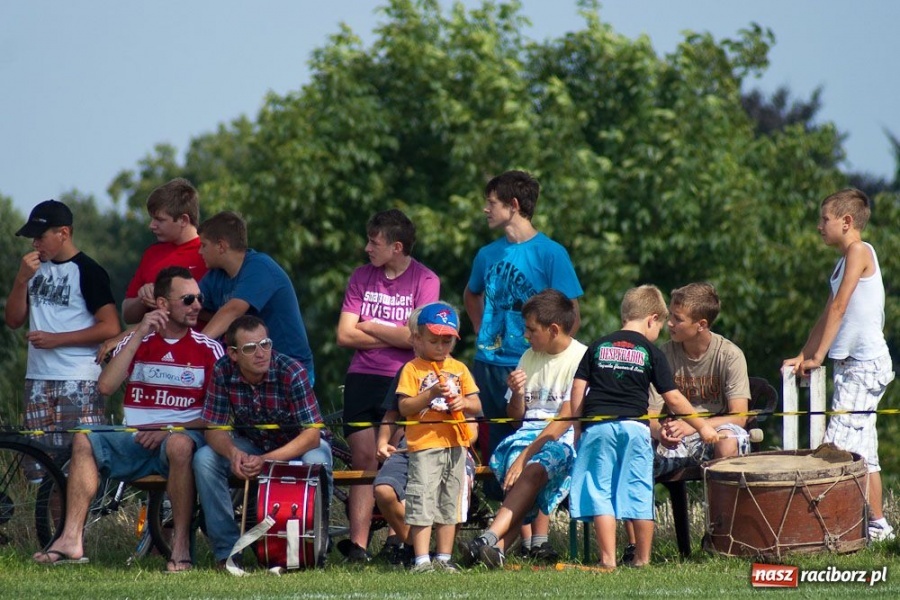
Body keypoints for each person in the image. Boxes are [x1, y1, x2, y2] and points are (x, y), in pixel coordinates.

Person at [32, 266, 222, 569]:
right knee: (84, 438)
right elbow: (106, 386)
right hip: (132, 437)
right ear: (162, 305)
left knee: (180, 446)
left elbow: (217, 413)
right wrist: (138, 334)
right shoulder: (138, 341)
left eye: (199, 298)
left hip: (179, 439)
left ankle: (181, 545)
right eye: (188, 299)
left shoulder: (209, 349)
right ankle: (70, 539)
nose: (197, 305)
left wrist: (169, 430)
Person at [568, 285, 717, 569]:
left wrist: (577, 426)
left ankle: (608, 559)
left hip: (599, 427)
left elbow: (578, 388)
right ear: (651, 319)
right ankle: (643, 559)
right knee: (639, 489)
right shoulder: (651, 351)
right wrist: (702, 427)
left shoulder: (598, 345)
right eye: (660, 325)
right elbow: (673, 398)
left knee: (601, 491)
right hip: (635, 428)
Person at [463, 170, 583, 507]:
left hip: (533, 365)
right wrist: (481, 330)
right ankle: (498, 525)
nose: (486, 209)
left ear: (514, 205)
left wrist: (553, 357)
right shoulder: (487, 254)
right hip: (491, 364)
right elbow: (472, 295)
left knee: (532, 445)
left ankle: (532, 533)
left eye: (492, 203)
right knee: (497, 446)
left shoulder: (550, 253)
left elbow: (571, 313)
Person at [783, 188, 895, 542]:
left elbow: (840, 307)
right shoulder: (843, 260)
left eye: (824, 219)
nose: (819, 226)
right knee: (866, 453)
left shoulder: (859, 251)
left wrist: (819, 358)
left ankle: (835, 528)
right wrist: (805, 352)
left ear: (846, 222)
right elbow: (826, 313)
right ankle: (878, 526)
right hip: (851, 366)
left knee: (837, 449)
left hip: (863, 364)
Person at [335, 209, 439, 561]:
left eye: (373, 242)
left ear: (397, 247)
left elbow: (418, 338)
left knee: (394, 459)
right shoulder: (361, 276)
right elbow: (344, 334)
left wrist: (370, 326)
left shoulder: (425, 280)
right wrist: (394, 335)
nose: (367, 248)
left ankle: (400, 541)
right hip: (361, 377)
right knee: (363, 458)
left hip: (404, 378)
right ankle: (358, 545)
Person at [458, 289, 587, 568]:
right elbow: (516, 418)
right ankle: (498, 549)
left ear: (554, 329)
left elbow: (565, 419)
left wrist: (525, 455)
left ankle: (486, 539)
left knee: (532, 470)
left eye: (531, 330)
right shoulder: (529, 356)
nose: (525, 336)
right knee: (519, 472)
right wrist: (516, 393)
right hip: (526, 435)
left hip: (561, 437)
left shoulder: (581, 359)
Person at [193, 315, 332, 568]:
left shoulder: (291, 371)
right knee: (204, 458)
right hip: (252, 444)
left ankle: (317, 547)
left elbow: (312, 435)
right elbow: (213, 428)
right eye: (250, 348)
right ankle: (227, 552)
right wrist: (233, 453)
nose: (261, 353)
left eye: (265, 344)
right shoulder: (223, 370)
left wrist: (266, 460)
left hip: (299, 445)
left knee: (317, 460)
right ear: (233, 354)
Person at [5, 199, 121, 452]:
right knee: (38, 461)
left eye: (40, 237)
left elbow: (111, 326)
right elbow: (13, 320)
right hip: (37, 377)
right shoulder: (33, 269)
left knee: (77, 458)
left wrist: (56, 339)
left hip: (78, 378)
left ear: (64, 233)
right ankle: (43, 493)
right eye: (32, 238)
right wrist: (21, 280)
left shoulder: (88, 270)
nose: (35, 244)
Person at [373, 307, 479, 567]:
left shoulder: (460, 369)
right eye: (433, 341)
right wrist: (430, 394)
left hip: (455, 445)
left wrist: (461, 402)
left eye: (447, 341)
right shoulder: (412, 369)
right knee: (421, 501)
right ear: (417, 339)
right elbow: (405, 407)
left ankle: (444, 558)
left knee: (449, 503)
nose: (441, 347)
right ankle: (421, 560)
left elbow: (476, 404)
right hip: (423, 446)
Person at [197, 211, 315, 383]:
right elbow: (191, 303)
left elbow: (233, 311)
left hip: (289, 370)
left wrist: (195, 349)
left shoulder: (260, 266)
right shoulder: (216, 276)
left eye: (204, 245)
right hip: (250, 371)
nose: (200, 251)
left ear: (221, 246)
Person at [650, 282, 751, 474]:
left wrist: (695, 426)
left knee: (729, 439)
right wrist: (659, 432)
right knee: (637, 447)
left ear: (701, 325)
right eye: (670, 314)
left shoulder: (729, 355)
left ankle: (722, 504)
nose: (669, 322)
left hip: (716, 433)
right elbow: (651, 415)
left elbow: (739, 416)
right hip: (675, 438)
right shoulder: (662, 355)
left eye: (678, 319)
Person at [122, 178, 207, 324]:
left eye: (159, 220)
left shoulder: (209, 254)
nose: (151, 225)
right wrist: (143, 299)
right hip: (155, 345)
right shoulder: (151, 254)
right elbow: (127, 315)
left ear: (183, 220)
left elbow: (223, 310)